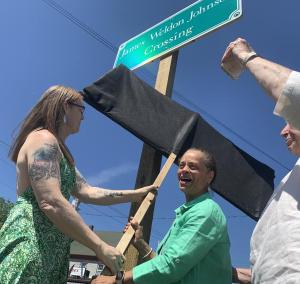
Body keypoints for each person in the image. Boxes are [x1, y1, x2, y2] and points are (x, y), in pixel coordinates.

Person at [0, 85, 156, 284]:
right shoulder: (43, 139)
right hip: (32, 243)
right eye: (81, 110)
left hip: (54, 252)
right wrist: (100, 246)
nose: (83, 117)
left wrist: (136, 194)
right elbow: (50, 201)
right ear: (66, 107)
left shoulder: (61, 153)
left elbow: (88, 191)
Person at [222, 38, 300, 283]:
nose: (282, 131)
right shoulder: (292, 181)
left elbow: (296, 97)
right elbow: (272, 266)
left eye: (288, 121)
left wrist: (246, 56)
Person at [93, 148, 232, 284]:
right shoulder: (189, 212)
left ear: (210, 176)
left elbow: (172, 265)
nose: (184, 170)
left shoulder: (205, 212)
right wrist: (141, 244)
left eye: (193, 166)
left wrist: (117, 279)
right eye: (181, 165)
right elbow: (166, 267)